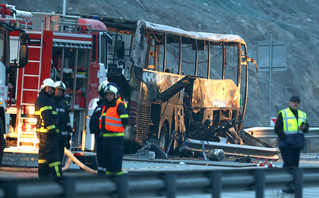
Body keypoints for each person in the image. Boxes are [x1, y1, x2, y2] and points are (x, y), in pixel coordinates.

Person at [35, 78, 63, 178]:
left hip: (44, 134)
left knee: (43, 157)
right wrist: (52, 130)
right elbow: (46, 115)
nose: (50, 90)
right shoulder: (43, 99)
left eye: (52, 88)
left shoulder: (46, 99)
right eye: (48, 88)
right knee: (54, 157)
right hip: (47, 134)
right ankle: (58, 178)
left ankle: (43, 178)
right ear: (43, 88)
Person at [99, 83, 128, 175]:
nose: (109, 96)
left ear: (115, 95)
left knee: (116, 156)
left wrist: (120, 128)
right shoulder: (106, 105)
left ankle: (117, 175)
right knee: (108, 157)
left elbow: (125, 119)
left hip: (116, 136)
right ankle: (109, 174)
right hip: (106, 136)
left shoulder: (119, 105)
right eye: (107, 94)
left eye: (111, 94)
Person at [274, 96, 309, 168]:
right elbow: (277, 129)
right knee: (288, 163)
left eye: (297, 102)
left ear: (299, 104)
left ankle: (294, 179)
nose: (295, 104)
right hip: (286, 145)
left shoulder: (302, 114)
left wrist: (304, 127)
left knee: (295, 165)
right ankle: (285, 178)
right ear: (290, 103)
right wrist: (286, 138)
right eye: (294, 102)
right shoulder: (283, 113)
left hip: (297, 144)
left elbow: (306, 128)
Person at [89, 80, 108, 174]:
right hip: (100, 136)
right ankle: (101, 174)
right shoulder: (101, 105)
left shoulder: (105, 106)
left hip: (102, 136)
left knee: (103, 158)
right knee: (100, 158)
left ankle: (103, 175)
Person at [53, 81, 73, 162]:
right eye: (58, 90)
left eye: (61, 90)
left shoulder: (64, 103)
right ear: (54, 90)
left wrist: (68, 135)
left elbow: (67, 119)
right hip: (53, 134)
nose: (60, 92)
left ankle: (59, 169)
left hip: (62, 134)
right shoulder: (50, 101)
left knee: (60, 154)